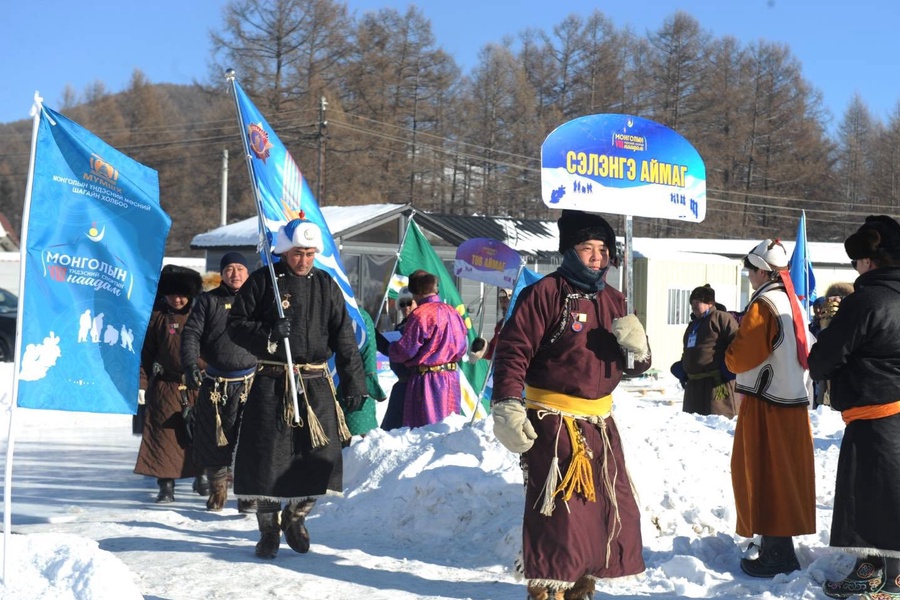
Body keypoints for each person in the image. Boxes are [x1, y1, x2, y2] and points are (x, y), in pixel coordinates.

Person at [490, 209, 651, 600]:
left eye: (603, 249)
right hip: (553, 423)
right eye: (587, 248)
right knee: (560, 515)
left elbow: (636, 366)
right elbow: (513, 351)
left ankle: (582, 588)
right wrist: (508, 403)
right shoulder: (545, 293)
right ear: (569, 252)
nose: (597, 257)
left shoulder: (615, 299)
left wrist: (639, 349)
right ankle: (544, 590)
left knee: (602, 513)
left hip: (600, 427)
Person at [227, 218, 367, 559]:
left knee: (321, 456)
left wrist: (353, 380)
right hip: (273, 381)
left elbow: (344, 338)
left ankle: (295, 516)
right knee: (266, 460)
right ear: (283, 251)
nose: (303, 260)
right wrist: (269, 332)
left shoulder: (326, 284)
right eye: (297, 253)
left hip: (315, 382)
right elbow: (236, 326)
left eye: (309, 254)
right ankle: (268, 530)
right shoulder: (263, 282)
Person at [808, 216, 900, 599]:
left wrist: (827, 330)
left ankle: (888, 578)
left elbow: (822, 361)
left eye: (857, 260)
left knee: (875, 495)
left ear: (869, 260)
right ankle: (878, 569)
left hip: (875, 414)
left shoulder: (865, 301)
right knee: (881, 493)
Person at [724, 239, 815, 578]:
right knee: (785, 474)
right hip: (792, 399)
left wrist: (729, 349)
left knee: (763, 473)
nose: (748, 275)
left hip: (767, 401)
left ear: (763, 270)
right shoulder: (793, 302)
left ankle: (776, 552)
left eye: (750, 269)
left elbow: (742, 356)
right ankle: (778, 545)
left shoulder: (765, 304)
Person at [181, 251, 258, 513]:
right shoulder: (208, 301)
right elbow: (191, 333)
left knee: (250, 442)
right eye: (229, 269)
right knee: (215, 441)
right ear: (222, 273)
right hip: (216, 384)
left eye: (240, 268)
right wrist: (190, 364)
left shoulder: (258, 300)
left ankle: (248, 495)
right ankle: (218, 491)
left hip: (251, 383)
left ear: (248, 273)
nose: (235, 274)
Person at [134, 264, 204, 503]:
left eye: (182, 294)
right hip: (166, 385)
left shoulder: (201, 315)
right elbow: (146, 353)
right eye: (173, 294)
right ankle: (166, 486)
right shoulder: (157, 318)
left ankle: (202, 476)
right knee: (163, 437)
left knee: (201, 433)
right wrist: (142, 384)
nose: (177, 299)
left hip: (198, 384)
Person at [388, 270, 468, 428]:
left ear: (415, 292)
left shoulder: (421, 314)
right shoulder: (453, 312)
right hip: (451, 378)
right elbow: (462, 348)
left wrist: (390, 348)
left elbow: (406, 350)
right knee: (448, 429)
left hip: (428, 381)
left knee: (425, 432)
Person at [679, 284, 739, 417]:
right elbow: (687, 349)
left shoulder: (721, 318)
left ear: (710, 303)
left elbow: (737, 342)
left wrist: (728, 368)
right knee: (695, 426)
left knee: (716, 423)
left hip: (716, 384)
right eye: (692, 303)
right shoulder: (693, 325)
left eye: (698, 302)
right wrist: (684, 367)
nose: (694, 306)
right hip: (694, 386)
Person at [337, 308, 386, 441]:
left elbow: (368, 354)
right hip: (352, 380)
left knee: (364, 439)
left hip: (351, 382)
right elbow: (369, 354)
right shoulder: (359, 315)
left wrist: (369, 380)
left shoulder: (360, 316)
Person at [375, 287, 416, 431]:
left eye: (410, 303)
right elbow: (392, 351)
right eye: (402, 304)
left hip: (415, 384)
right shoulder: (401, 326)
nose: (406, 307)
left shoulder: (418, 325)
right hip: (402, 383)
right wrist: (376, 337)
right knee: (390, 430)